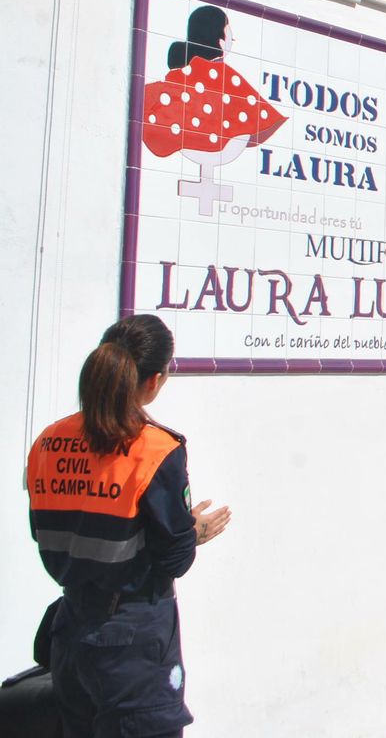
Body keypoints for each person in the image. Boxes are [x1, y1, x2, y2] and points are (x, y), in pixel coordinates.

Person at [26, 314, 232, 736]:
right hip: (131, 645)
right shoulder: (155, 448)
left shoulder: (48, 441)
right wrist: (193, 532)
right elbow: (174, 559)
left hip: (70, 632)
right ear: (155, 380)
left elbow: (56, 528)